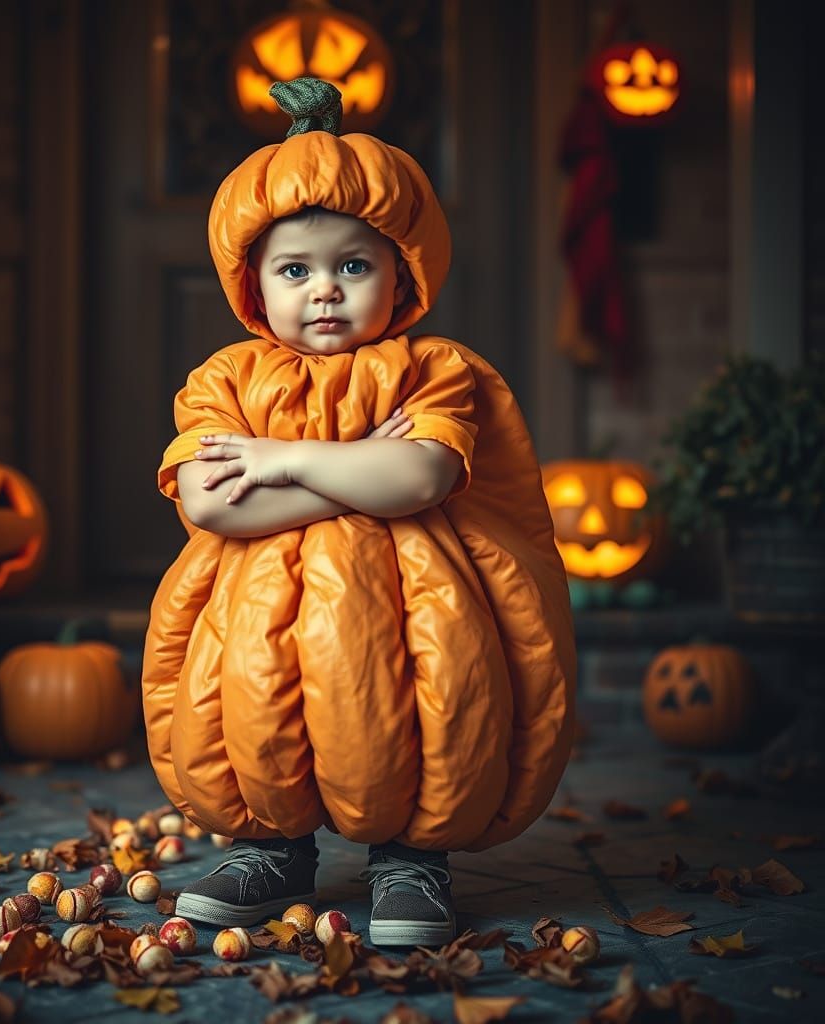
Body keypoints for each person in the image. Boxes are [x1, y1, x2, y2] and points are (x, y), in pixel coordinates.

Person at [141, 78, 576, 948]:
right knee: (262, 705)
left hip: (418, 603)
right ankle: (273, 845)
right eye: (296, 270)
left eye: (354, 265)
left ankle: (411, 855)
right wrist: (358, 466)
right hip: (254, 608)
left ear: (403, 272)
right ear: (254, 286)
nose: (326, 290)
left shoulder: (434, 369)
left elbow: (419, 483)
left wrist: (283, 459)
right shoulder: (227, 378)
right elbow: (210, 501)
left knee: (427, 704)